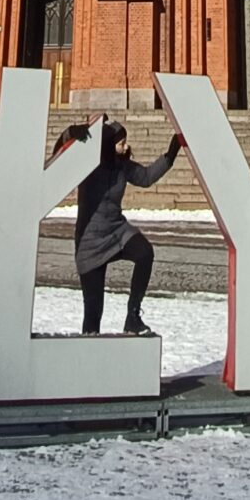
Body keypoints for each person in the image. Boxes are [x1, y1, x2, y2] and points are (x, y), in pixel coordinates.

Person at [56, 116, 185, 338]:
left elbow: (146, 177)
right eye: (121, 143)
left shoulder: (122, 166)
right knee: (93, 313)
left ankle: (133, 317)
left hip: (117, 231)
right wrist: (68, 133)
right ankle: (88, 352)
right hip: (90, 241)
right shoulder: (87, 166)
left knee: (144, 253)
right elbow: (57, 161)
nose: (126, 147)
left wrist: (171, 153)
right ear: (108, 144)